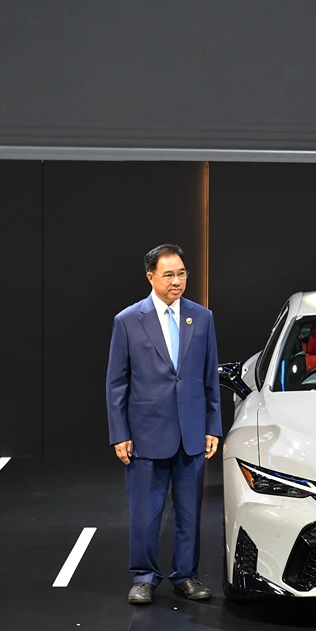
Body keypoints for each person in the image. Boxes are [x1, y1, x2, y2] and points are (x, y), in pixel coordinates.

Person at [106, 244, 222, 605]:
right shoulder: (128, 320)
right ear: (150, 277)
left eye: (182, 273)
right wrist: (120, 433)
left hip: (191, 433)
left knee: (190, 513)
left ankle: (185, 575)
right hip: (145, 434)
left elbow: (209, 377)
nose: (177, 281)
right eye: (169, 274)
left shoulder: (202, 317)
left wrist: (213, 426)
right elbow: (116, 382)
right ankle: (144, 576)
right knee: (145, 513)